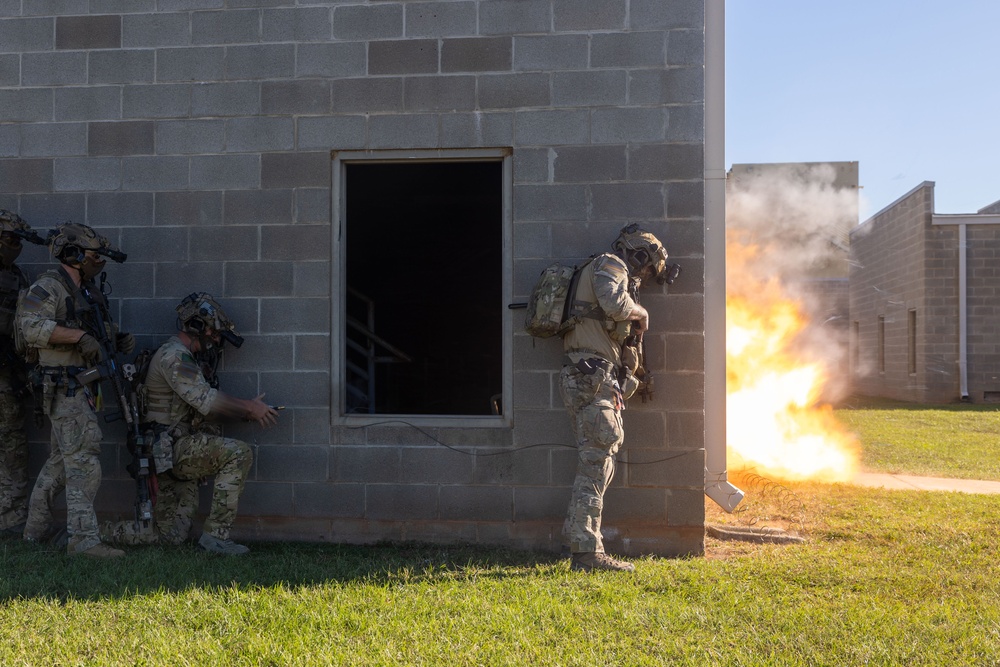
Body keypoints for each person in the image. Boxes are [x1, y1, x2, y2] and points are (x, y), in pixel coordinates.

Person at [103, 292, 278, 555]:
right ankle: (216, 538)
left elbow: (202, 407)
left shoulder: (185, 358)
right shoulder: (175, 357)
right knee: (238, 453)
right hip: (171, 450)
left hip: (172, 450)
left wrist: (245, 411)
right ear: (197, 327)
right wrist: (249, 407)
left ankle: (97, 532)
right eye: (214, 333)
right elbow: (207, 401)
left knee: (169, 535)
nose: (216, 340)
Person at [560, 224, 673, 573]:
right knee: (596, 463)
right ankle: (585, 552)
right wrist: (642, 313)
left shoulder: (613, 271)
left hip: (596, 376)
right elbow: (613, 302)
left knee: (599, 463)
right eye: (646, 266)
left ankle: (583, 544)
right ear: (638, 254)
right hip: (591, 377)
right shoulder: (610, 264)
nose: (643, 275)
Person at [20, 222, 134, 558]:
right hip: (62, 387)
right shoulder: (48, 286)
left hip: (80, 386)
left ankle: (33, 531)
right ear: (72, 254)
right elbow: (31, 327)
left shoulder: (85, 291)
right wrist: (79, 338)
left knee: (59, 462)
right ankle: (82, 541)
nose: (98, 262)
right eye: (93, 255)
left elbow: (86, 327)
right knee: (84, 460)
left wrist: (113, 336)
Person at [0, 211, 35, 538]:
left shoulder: (19, 278)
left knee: (13, 448)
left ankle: (11, 521)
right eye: (11, 240)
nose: (16, 247)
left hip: (8, 377)